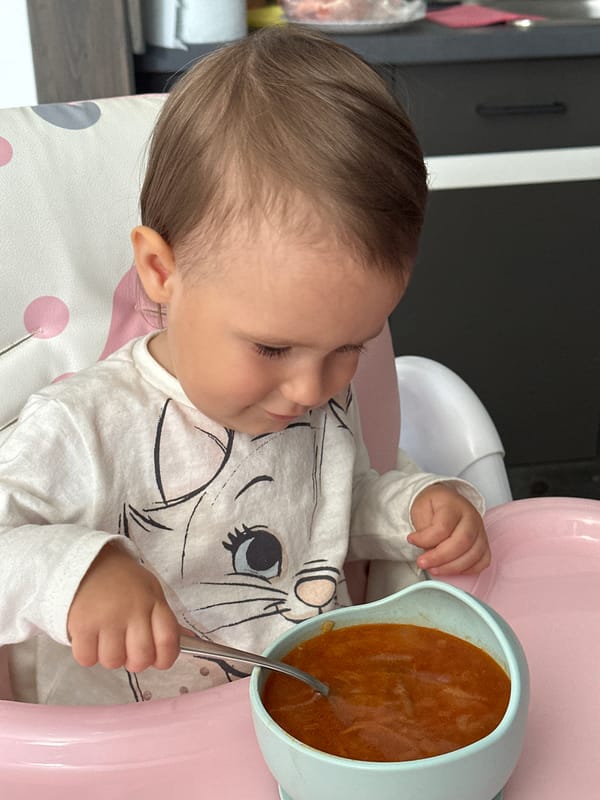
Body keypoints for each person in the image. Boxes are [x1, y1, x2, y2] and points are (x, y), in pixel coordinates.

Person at [0, 25, 489, 705]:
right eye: (272, 348)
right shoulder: (81, 427)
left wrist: (416, 510)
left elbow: (329, 511)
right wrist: (76, 573)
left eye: (351, 345)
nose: (310, 388)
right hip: (129, 746)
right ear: (160, 271)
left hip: (301, 711)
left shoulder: (316, 399)